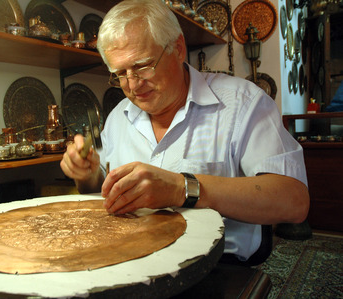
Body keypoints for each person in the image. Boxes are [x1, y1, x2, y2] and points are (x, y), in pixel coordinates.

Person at [60, 0, 309, 264]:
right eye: (120, 73)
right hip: (130, 259)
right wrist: (86, 176)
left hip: (216, 266)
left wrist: (183, 188)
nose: (132, 84)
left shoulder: (243, 103)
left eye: (143, 65)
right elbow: (101, 190)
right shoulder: (118, 117)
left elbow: (293, 201)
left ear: (178, 49)